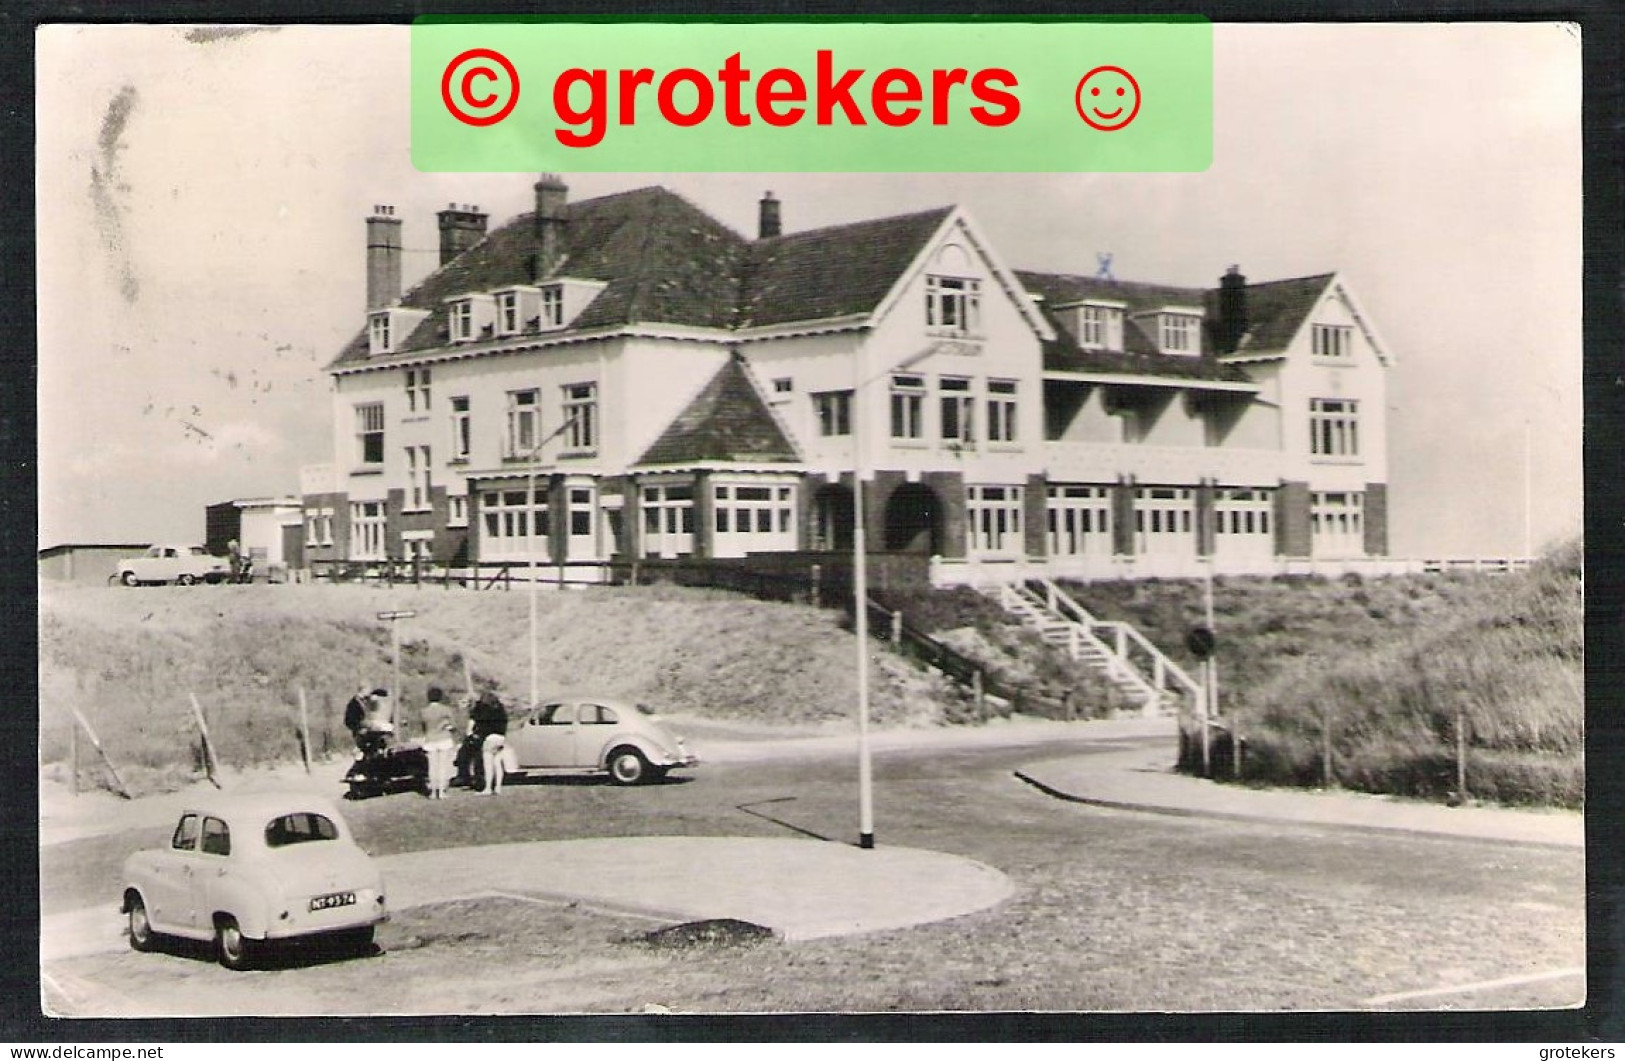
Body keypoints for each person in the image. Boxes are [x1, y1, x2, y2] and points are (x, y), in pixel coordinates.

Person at [455, 691, 508, 790]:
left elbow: (472, 721)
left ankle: (486, 786)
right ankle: (498, 787)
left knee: (484, 763)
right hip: (500, 737)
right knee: (497, 763)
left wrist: (470, 734)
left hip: (486, 738)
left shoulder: (481, 708)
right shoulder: (500, 708)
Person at [419, 685, 456, 800]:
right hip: (444, 738)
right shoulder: (445, 710)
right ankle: (442, 791)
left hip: (430, 739)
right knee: (443, 766)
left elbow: (423, 727)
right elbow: (453, 725)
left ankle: (433, 792)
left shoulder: (424, 711)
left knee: (432, 766)